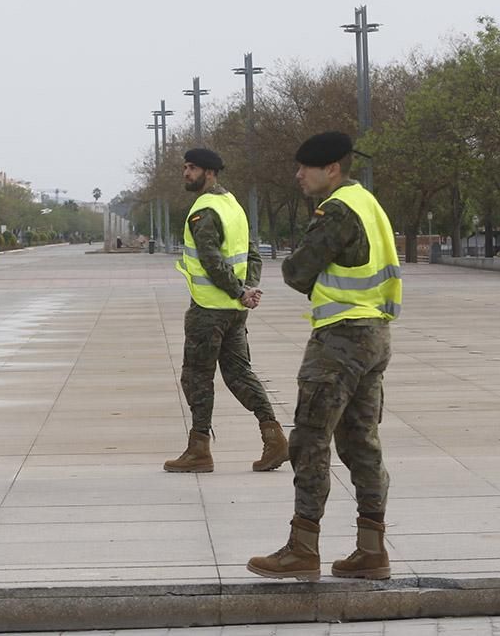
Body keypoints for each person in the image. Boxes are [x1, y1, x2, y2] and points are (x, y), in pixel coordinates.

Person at [247, 131, 401, 582]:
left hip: (340, 340)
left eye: (304, 168)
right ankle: (372, 550)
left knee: (310, 440)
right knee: (361, 442)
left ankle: (302, 546)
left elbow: (297, 272)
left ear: (330, 168)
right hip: (374, 335)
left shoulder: (336, 209)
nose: (298, 175)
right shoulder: (368, 203)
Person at [164, 148, 288, 473]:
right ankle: (274, 438)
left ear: (209, 172)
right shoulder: (233, 205)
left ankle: (198, 449)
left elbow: (212, 261)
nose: (185, 173)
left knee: (196, 377)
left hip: (209, 310)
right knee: (239, 373)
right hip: (235, 310)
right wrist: (248, 291)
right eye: (185, 167)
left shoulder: (203, 210)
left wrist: (239, 291)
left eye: (191, 168)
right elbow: (252, 255)